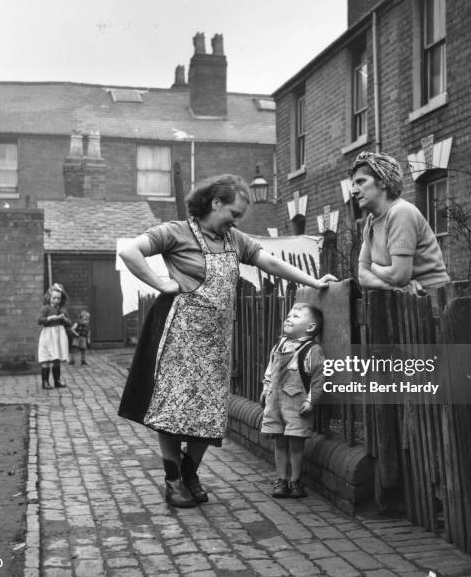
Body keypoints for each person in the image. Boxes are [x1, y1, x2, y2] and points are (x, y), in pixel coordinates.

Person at [118, 174, 336, 508]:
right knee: (174, 410)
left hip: (217, 343)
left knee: (210, 411)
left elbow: (272, 262)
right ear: (215, 202)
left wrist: (313, 280)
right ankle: (173, 480)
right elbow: (129, 250)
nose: (235, 221)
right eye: (233, 213)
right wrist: (161, 283)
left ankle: (191, 471)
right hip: (180, 337)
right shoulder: (175, 232)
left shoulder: (234, 239)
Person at [350, 151, 449, 294]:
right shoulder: (371, 221)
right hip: (405, 297)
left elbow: (399, 276)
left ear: (383, 181)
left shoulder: (401, 212)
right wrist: (393, 287)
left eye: (361, 181)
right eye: (353, 184)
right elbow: (362, 277)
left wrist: (373, 267)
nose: (353, 190)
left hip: (432, 298)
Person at [259, 302, 325, 499]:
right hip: (274, 402)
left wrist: (311, 401)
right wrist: (265, 388)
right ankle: (281, 480)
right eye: (288, 315)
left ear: (310, 327)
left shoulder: (312, 350)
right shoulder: (279, 345)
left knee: (296, 444)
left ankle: (295, 480)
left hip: (296, 404)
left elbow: (318, 378)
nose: (289, 318)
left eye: (296, 316)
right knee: (279, 441)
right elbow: (270, 370)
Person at [37, 283, 70, 389]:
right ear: (49, 297)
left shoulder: (62, 310)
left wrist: (64, 319)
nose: (56, 300)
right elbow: (40, 320)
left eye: (58, 299)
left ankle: (57, 380)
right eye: (54, 298)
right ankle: (45, 382)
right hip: (48, 335)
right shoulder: (46, 308)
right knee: (46, 357)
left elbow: (69, 323)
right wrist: (50, 318)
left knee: (56, 357)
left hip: (59, 335)